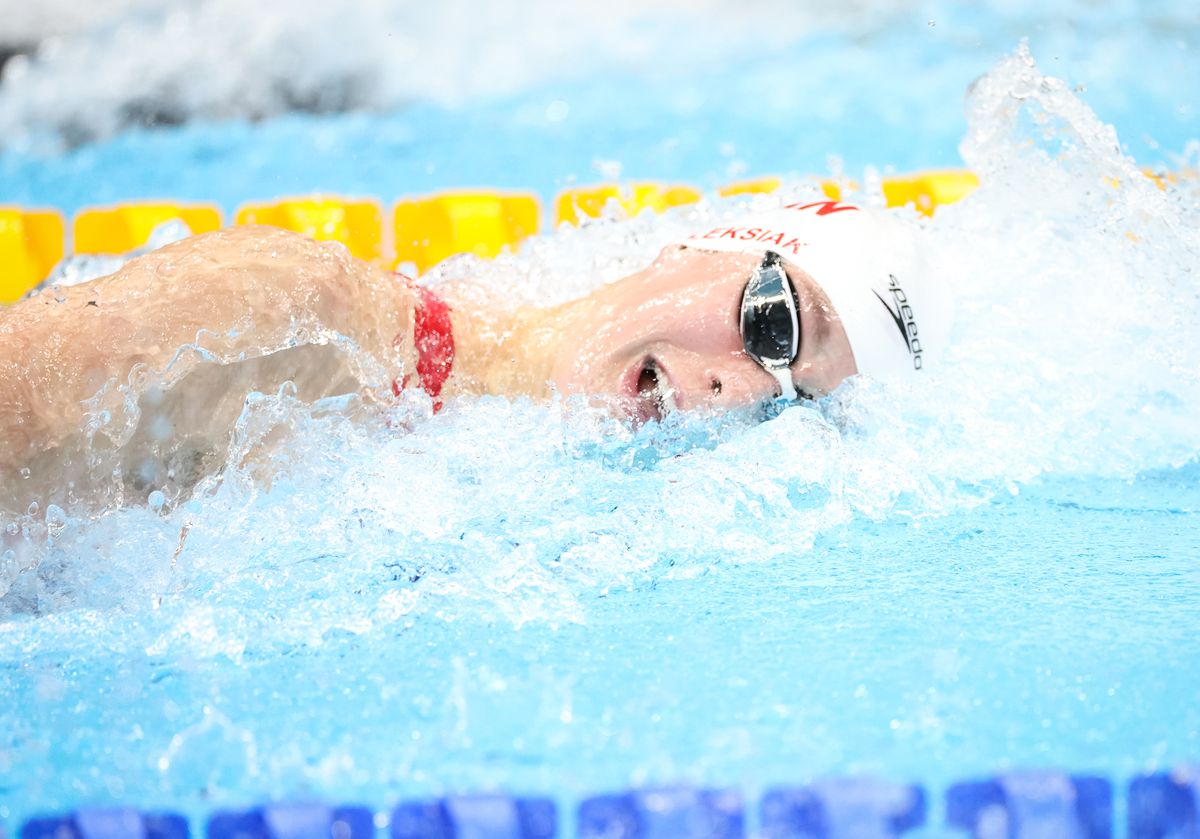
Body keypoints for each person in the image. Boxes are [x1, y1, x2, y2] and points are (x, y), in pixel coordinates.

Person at [0, 198, 948, 490]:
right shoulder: (304, 306)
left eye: (790, 398)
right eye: (771, 326)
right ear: (704, 247)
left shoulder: (481, 483)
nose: (738, 392)